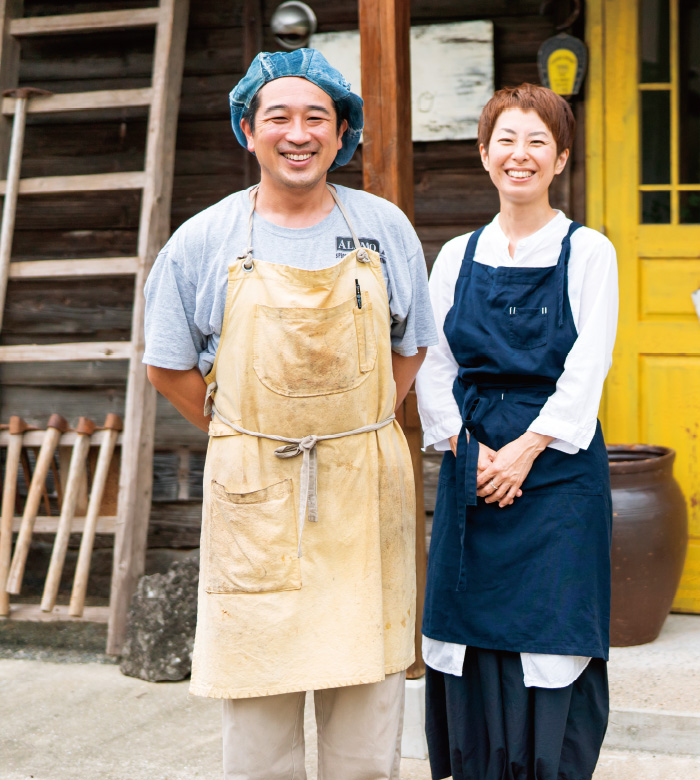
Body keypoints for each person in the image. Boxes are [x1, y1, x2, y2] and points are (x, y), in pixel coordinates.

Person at [143, 49, 437, 780]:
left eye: (318, 118)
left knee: (365, 702)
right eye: (279, 116)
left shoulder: (384, 228)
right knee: (259, 700)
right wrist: (242, 436)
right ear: (248, 130)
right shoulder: (204, 241)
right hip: (255, 493)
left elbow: (413, 344)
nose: (298, 133)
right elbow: (167, 364)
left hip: (362, 491)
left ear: (343, 135)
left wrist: (361, 424)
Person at [415, 83, 618, 780]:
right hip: (471, 460)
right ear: (483, 154)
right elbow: (431, 362)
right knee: (466, 640)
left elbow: (589, 367)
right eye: (506, 140)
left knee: (554, 633)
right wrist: (465, 452)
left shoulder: (590, 252)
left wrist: (526, 450)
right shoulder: (454, 256)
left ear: (561, 159)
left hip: (557, 470)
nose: (520, 155)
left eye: (537, 141)